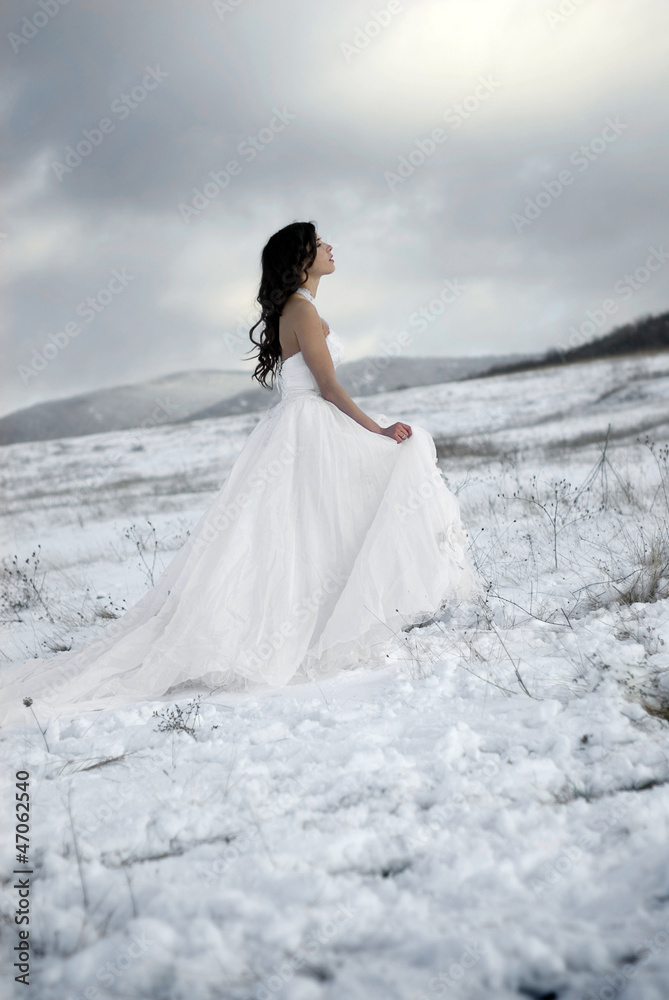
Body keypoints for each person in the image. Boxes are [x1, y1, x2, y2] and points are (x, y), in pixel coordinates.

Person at [0, 220, 482, 728]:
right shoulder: (301, 308)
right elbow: (328, 388)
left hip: (302, 427)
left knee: (312, 528)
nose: (331, 247)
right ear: (301, 258)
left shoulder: (301, 307)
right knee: (373, 476)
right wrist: (379, 430)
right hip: (309, 425)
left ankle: (338, 615)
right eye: (320, 244)